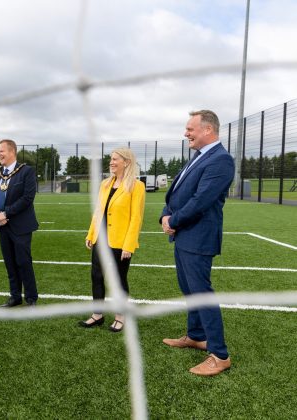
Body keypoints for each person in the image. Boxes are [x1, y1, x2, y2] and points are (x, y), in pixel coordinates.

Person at [160, 110, 234, 376]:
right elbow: (177, 192)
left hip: (198, 236)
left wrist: (173, 220)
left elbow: (201, 201)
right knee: (189, 289)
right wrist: (165, 215)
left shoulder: (221, 160)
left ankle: (220, 355)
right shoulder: (199, 157)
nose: (186, 133)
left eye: (190, 129)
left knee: (201, 293)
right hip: (184, 235)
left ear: (208, 130)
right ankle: (195, 336)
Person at [79, 148, 145, 332]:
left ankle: (120, 316)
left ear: (127, 162)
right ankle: (97, 315)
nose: (111, 162)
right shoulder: (105, 184)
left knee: (119, 279)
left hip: (121, 242)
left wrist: (129, 245)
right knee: (96, 276)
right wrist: (91, 234)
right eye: (111, 159)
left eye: (115, 159)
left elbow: (136, 218)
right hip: (101, 239)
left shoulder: (136, 186)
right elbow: (98, 212)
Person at [0, 139, 39, 307]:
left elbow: (27, 198)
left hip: (21, 226)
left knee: (23, 262)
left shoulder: (26, 171)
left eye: (1, 151)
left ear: (12, 152)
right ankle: (15, 297)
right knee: (9, 262)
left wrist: (6, 213)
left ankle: (31, 299)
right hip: (3, 226)